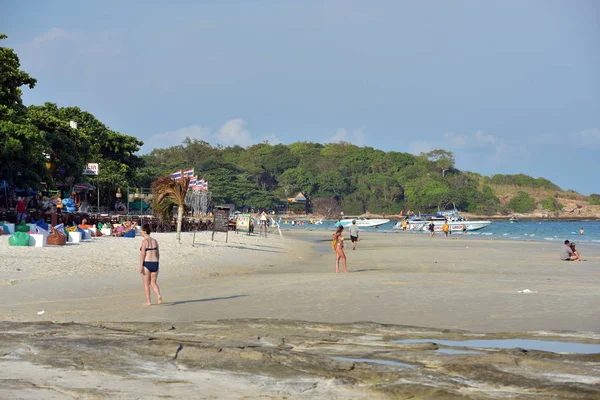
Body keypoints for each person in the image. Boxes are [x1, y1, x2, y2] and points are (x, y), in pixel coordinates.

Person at [139, 224, 162, 306]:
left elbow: (142, 254)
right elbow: (158, 253)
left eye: (141, 231)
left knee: (146, 283)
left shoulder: (145, 241)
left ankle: (148, 301)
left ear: (144, 232)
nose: (140, 232)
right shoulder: (155, 241)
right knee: (153, 282)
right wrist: (157, 262)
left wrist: (141, 265)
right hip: (155, 263)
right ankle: (158, 295)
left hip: (147, 263)